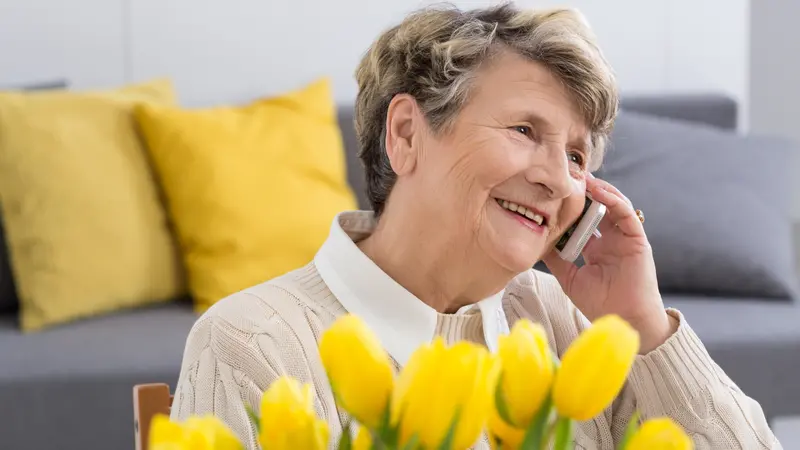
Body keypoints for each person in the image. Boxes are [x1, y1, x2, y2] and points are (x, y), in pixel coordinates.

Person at [170, 3, 781, 449]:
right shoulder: (253, 343)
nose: (561, 181)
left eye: (576, 156)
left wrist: (642, 327)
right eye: (524, 131)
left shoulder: (561, 322)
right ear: (407, 134)